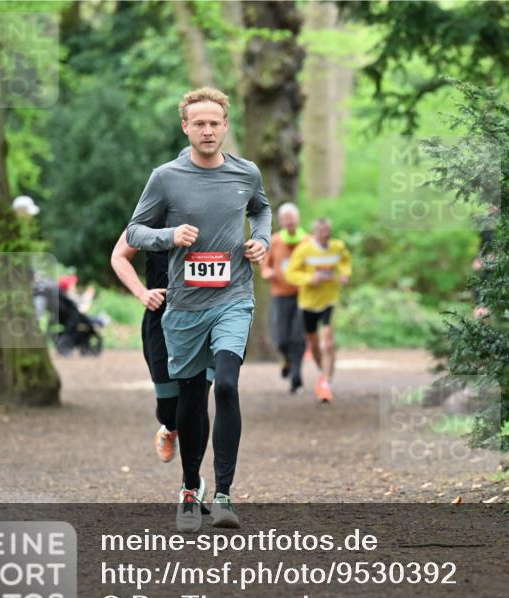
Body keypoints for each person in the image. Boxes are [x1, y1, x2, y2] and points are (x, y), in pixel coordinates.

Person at [125, 87, 271, 532]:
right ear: (185, 127)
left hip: (233, 298)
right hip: (185, 306)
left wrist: (261, 240)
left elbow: (262, 211)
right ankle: (191, 488)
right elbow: (134, 233)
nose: (207, 130)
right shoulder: (165, 177)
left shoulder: (247, 173)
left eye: (215, 123)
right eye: (199, 123)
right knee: (191, 398)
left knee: (226, 385)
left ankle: (224, 495)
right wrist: (169, 237)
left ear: (225, 126)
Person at [110, 230, 213, 465]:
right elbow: (119, 255)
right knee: (169, 410)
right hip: (161, 318)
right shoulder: (152, 213)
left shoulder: (209, 207)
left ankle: (191, 483)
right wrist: (141, 292)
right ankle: (169, 427)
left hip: (204, 318)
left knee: (197, 400)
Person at [284, 217, 351, 404]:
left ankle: (326, 382)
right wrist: (310, 278)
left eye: (328, 231)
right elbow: (290, 273)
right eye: (322, 231)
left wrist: (345, 274)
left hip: (330, 300)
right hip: (308, 303)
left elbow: (345, 260)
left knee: (328, 343)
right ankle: (324, 374)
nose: (326, 234)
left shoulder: (337, 246)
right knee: (314, 345)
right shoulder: (304, 250)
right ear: (315, 233)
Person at [260, 202, 307, 394]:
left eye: (292, 219)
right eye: (285, 219)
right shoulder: (275, 241)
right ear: (280, 221)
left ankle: (296, 377)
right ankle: (287, 360)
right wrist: (268, 272)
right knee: (280, 339)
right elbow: (264, 265)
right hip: (280, 295)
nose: (289, 222)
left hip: (304, 296)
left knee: (298, 338)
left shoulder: (308, 242)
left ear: (298, 219)